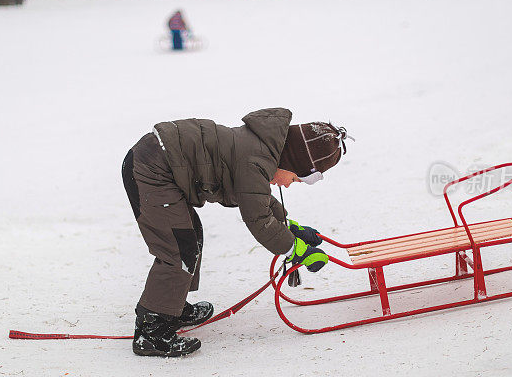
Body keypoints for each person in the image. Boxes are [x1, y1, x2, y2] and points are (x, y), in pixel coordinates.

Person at [121, 108, 351, 357]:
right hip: (152, 168)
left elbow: (257, 199)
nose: (287, 184)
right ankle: (152, 331)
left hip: (161, 161)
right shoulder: (255, 161)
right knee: (178, 246)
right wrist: (295, 249)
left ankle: (170, 306)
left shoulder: (262, 149)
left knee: (189, 237)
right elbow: (258, 219)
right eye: (295, 179)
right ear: (291, 162)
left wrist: (290, 228)